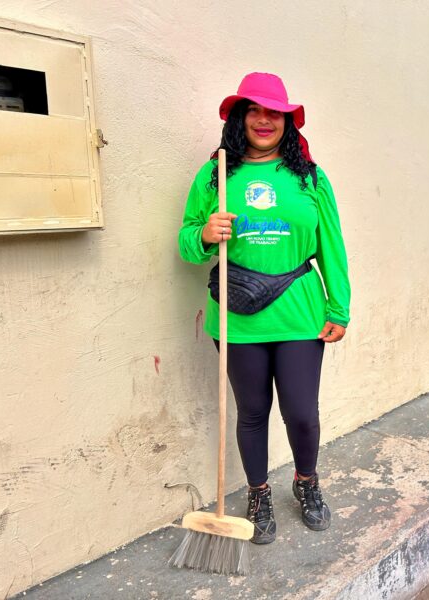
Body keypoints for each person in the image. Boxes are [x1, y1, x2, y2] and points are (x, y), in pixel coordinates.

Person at [178, 72, 351, 545]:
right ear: (239, 118)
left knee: (301, 412)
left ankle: (306, 481)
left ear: (287, 122)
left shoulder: (310, 177)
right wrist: (204, 234)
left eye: (273, 112)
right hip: (237, 317)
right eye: (252, 110)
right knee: (252, 412)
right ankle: (258, 494)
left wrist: (339, 307)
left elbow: (332, 246)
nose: (263, 120)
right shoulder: (215, 174)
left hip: (299, 313)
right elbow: (187, 242)